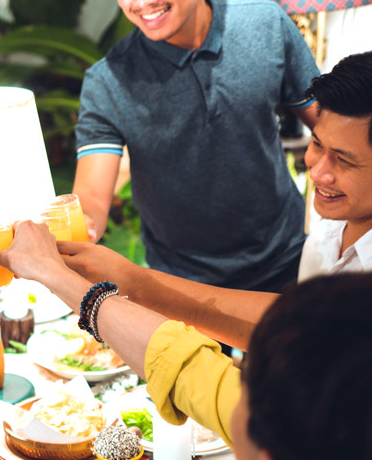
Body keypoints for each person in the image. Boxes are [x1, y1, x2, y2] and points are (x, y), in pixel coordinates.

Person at [0, 220, 372, 460]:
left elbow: (186, 366)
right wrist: (119, 281)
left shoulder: (276, 426)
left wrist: (54, 274)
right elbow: (186, 365)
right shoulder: (319, 433)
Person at [60, 51, 372, 351]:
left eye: (345, 161)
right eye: (316, 143)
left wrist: (130, 281)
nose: (318, 172)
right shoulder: (326, 234)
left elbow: (304, 327)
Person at [72, 0, 320, 294]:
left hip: (286, 261)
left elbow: (330, 124)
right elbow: (92, 198)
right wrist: (78, 227)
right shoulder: (107, 80)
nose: (143, 2)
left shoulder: (264, 22)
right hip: (182, 285)